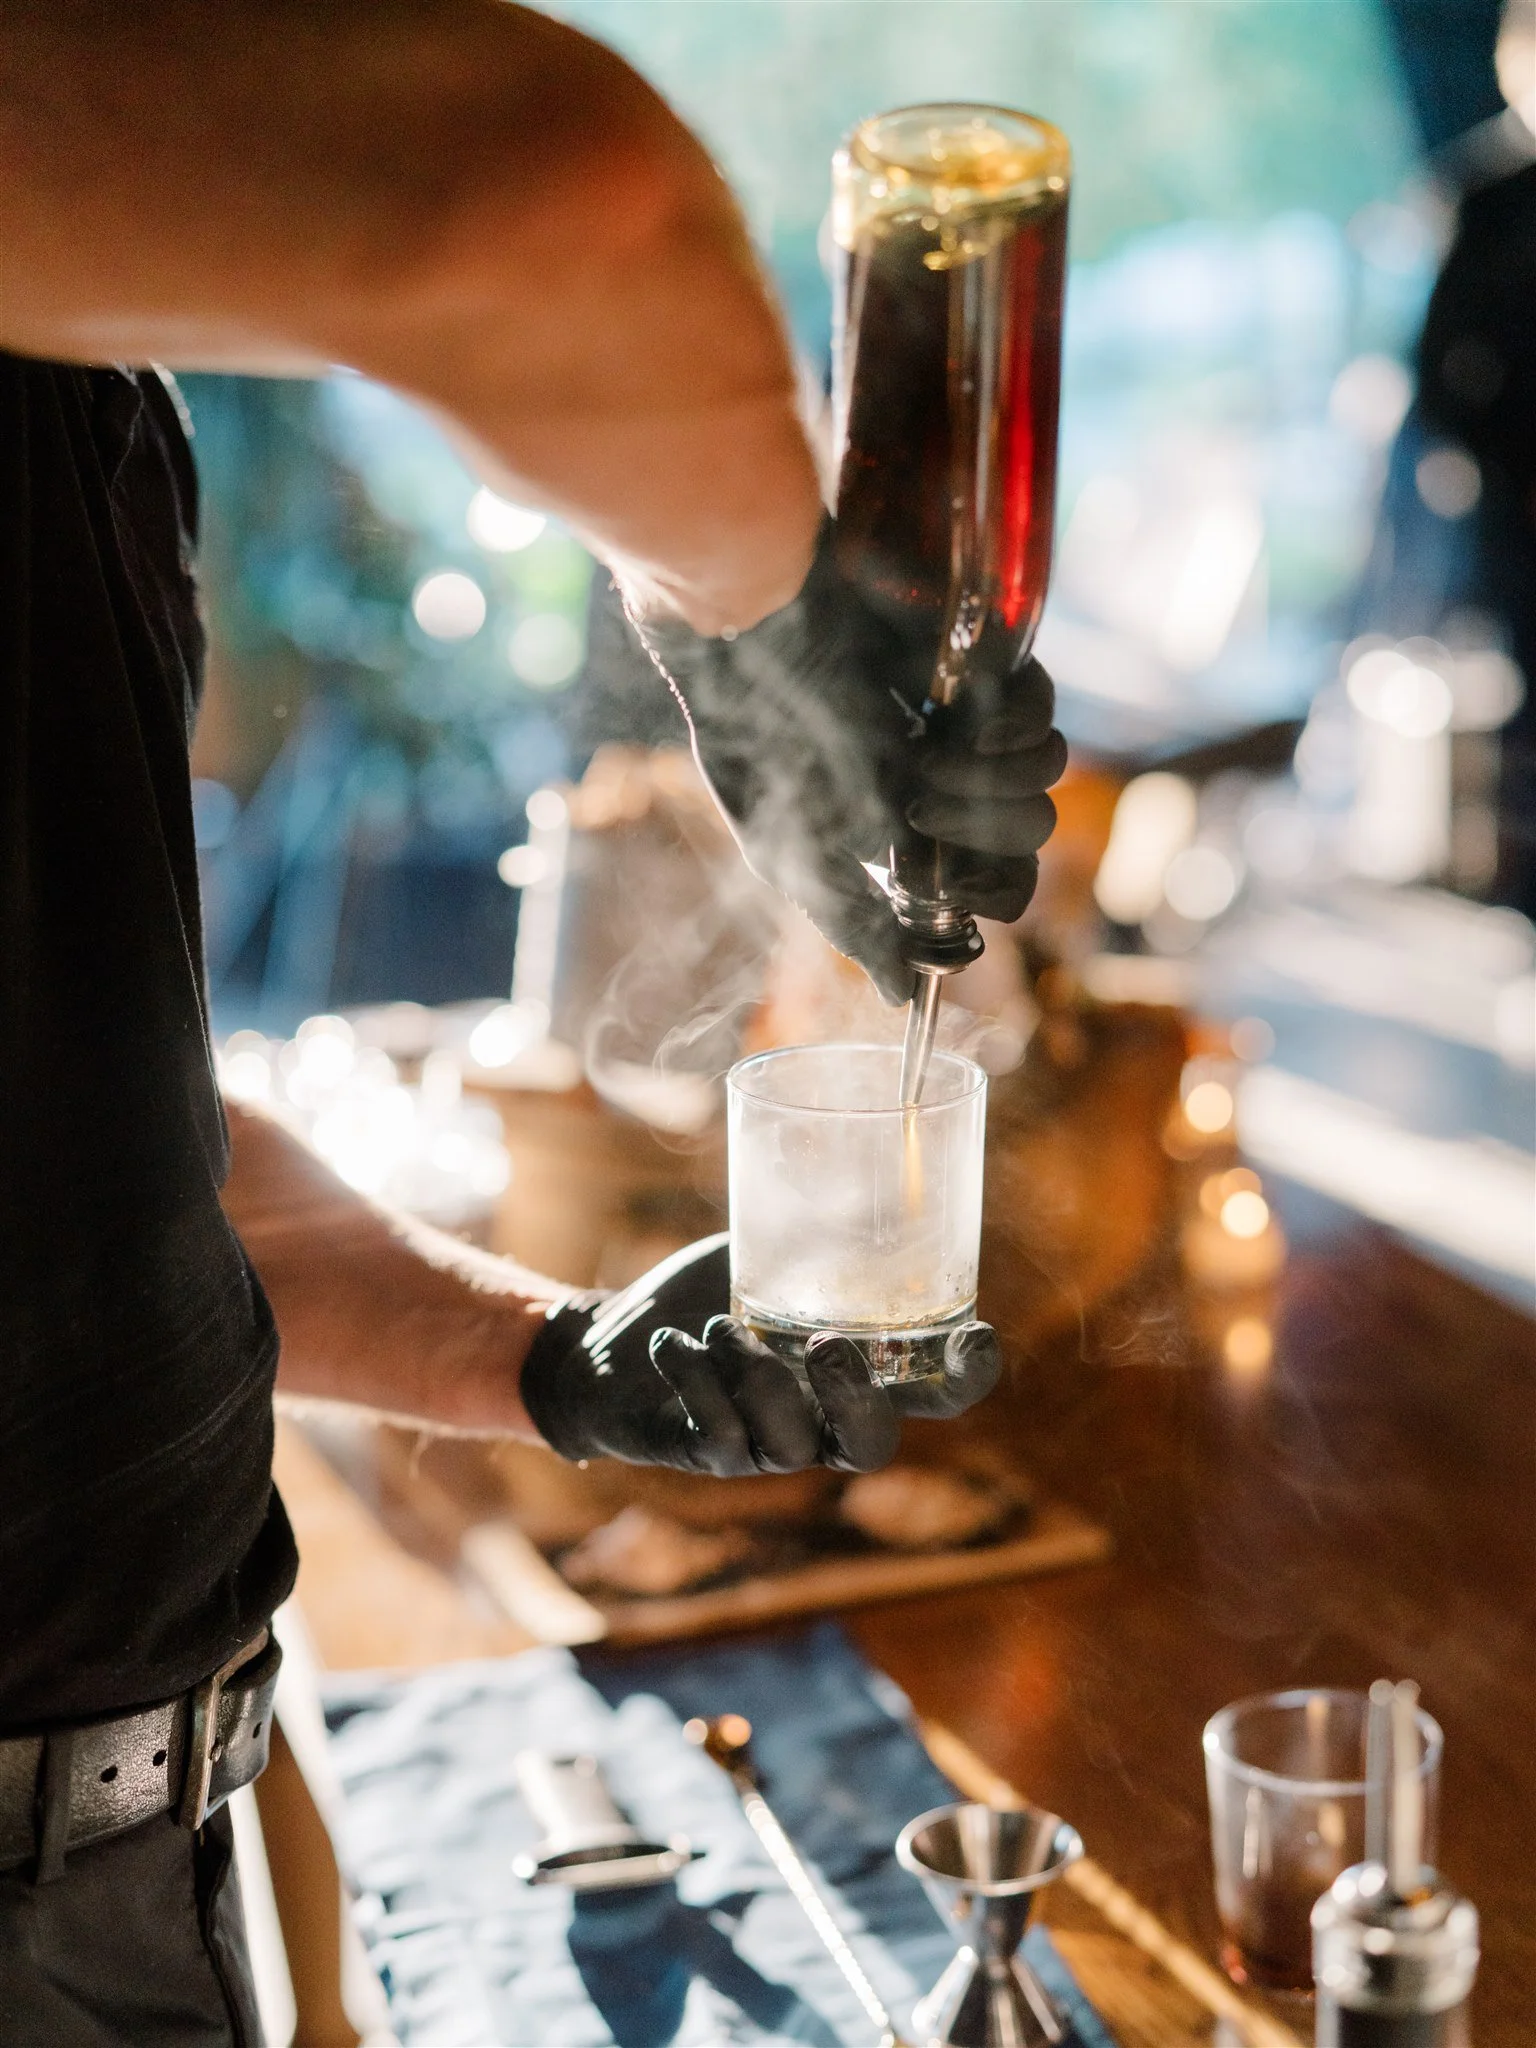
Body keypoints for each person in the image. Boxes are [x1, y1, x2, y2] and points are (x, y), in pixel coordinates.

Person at [0, 5, 1065, 2039]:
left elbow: (111, 1158)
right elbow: (553, 207)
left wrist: (551, 1361)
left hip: (132, 1863)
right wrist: (763, 638)